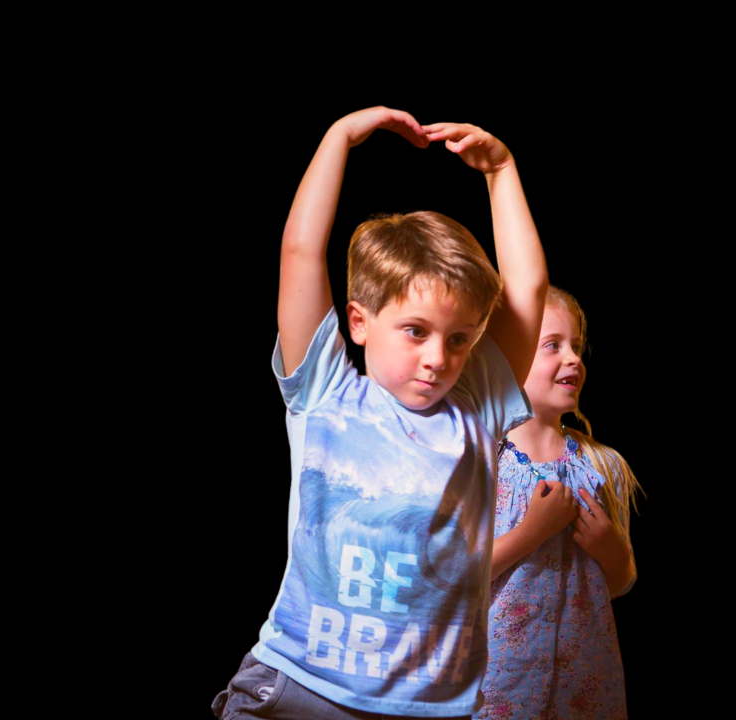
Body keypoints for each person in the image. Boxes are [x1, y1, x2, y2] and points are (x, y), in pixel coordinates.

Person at [211, 107, 548, 719]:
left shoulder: (477, 407)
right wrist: (338, 138)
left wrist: (502, 171)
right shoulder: (325, 391)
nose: (437, 358)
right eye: (415, 331)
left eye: (458, 338)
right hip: (300, 688)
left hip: (425, 707)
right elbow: (299, 252)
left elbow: (527, 292)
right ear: (359, 322)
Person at [475, 286, 641, 720]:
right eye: (553, 345)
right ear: (508, 358)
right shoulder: (481, 463)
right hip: (495, 688)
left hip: (583, 691)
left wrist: (611, 550)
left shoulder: (599, 465)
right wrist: (531, 532)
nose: (574, 359)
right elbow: (455, 575)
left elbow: (621, 581)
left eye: (577, 347)